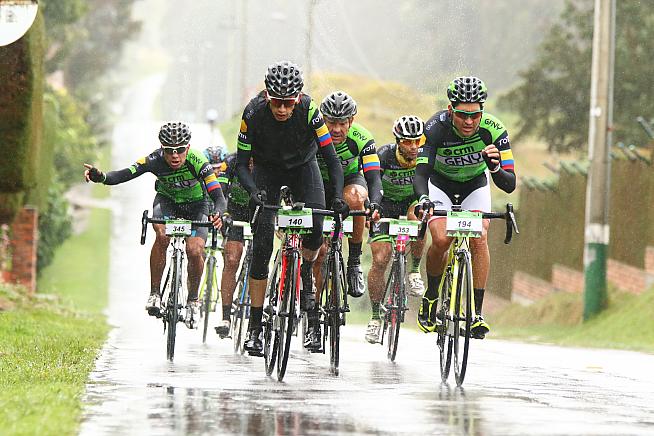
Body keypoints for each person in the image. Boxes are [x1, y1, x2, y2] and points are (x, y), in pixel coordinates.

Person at [235, 61, 346, 355]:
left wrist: (337, 196)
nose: (282, 109)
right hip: (266, 172)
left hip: (302, 169)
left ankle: (306, 273)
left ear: (297, 98)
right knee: (261, 246)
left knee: (316, 231)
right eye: (277, 102)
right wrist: (252, 190)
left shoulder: (310, 112)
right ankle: (255, 328)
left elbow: (331, 159)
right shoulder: (253, 112)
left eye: (288, 103)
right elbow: (240, 163)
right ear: (267, 96)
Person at [84, 122, 226, 329]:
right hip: (167, 202)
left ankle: (193, 299)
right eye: (169, 151)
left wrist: (219, 212)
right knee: (162, 236)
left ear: (188, 148)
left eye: (180, 150)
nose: (175, 156)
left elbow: (218, 196)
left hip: (196, 205)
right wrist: (102, 177)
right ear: (162, 148)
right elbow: (125, 174)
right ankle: (155, 294)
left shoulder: (198, 162)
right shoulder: (154, 159)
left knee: (195, 250)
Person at [413, 76, 516, 339]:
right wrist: (424, 199)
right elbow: (421, 173)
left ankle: (476, 314)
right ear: (451, 110)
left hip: (474, 186)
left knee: (479, 236)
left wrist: (494, 167)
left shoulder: (494, 130)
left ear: (482, 111)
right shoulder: (435, 128)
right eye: (462, 115)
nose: (469, 122)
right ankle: (432, 296)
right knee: (442, 239)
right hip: (440, 185)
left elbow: (509, 184)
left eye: (475, 115)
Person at [314, 90, 383, 300]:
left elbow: (373, 177)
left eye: (341, 123)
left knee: (356, 197)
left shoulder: (362, 138)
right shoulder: (312, 133)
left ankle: (354, 261)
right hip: (317, 183)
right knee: (320, 253)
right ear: (322, 120)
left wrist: (375, 204)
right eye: (330, 123)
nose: (335, 129)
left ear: (351, 121)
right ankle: (313, 305)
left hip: (349, 181)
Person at [364, 115, 426, 343]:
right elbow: (374, 184)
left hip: (411, 201)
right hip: (385, 205)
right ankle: (374, 316)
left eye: (417, 141)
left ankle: (414, 271)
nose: (413, 147)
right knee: (381, 259)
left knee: (420, 216)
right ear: (398, 141)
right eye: (408, 142)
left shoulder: (424, 156)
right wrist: (373, 208)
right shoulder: (384, 155)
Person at [212, 150, 254, 338]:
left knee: (261, 258)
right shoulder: (231, 161)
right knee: (232, 259)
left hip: (261, 212)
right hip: (235, 212)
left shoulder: (275, 156)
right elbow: (220, 192)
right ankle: (226, 317)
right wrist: (224, 214)